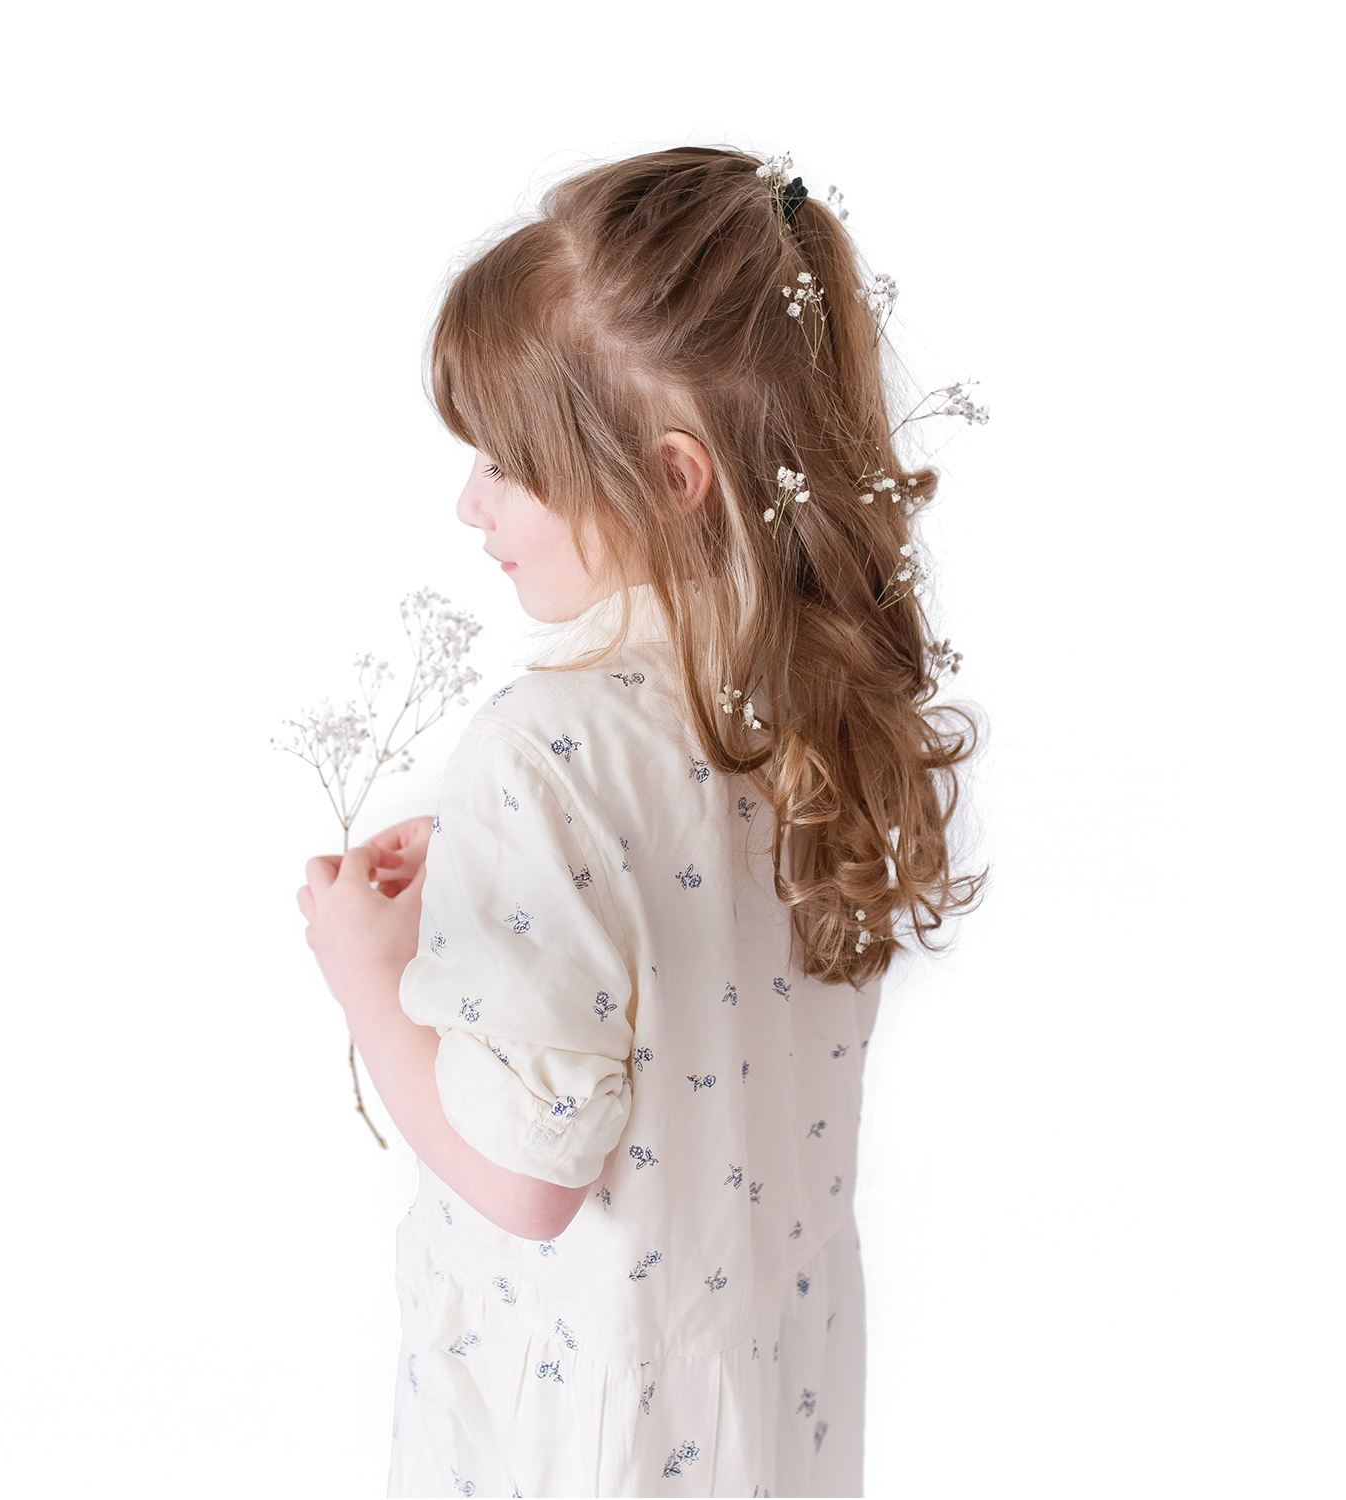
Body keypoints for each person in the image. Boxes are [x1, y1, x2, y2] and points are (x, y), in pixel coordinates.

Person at [296, 146, 980, 1499]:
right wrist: (496, 879)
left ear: (672, 479)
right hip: (768, 1410)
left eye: (511, 464)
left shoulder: (538, 750)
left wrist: (366, 977)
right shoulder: (813, 703)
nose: (472, 502)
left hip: (583, 1430)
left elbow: (528, 1179)